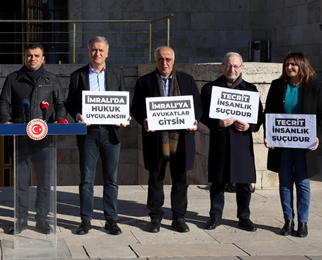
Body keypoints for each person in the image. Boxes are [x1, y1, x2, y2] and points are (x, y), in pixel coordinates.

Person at [131, 46, 202, 233]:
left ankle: (178, 218)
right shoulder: (144, 82)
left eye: (168, 59)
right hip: (155, 140)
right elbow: (136, 106)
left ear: (174, 59)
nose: (165, 63)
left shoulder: (187, 80)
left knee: (180, 180)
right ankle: (155, 217)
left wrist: (195, 119)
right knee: (156, 179)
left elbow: (197, 105)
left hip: (181, 139)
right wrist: (144, 120)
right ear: (155, 61)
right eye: (161, 59)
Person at [0, 43, 66, 234]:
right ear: (24, 57)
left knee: (44, 181)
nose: (32, 59)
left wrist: (60, 119)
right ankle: (20, 219)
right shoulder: (13, 79)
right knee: (21, 182)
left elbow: (60, 104)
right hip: (20, 137)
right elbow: (3, 102)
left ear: (43, 58)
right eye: (29, 55)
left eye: (36, 55)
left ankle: (42, 219)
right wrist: (6, 120)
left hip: (46, 138)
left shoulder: (51, 79)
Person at [65, 36, 129, 235]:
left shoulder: (118, 73)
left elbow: (123, 98)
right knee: (87, 179)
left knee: (111, 178)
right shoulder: (77, 76)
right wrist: (77, 115)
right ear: (88, 52)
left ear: (107, 53)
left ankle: (111, 220)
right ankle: (86, 220)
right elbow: (70, 102)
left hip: (111, 133)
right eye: (94, 49)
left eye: (101, 50)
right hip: (89, 134)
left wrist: (125, 115)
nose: (97, 53)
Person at [200, 52, 263, 232]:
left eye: (236, 66)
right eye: (228, 65)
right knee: (218, 181)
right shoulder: (210, 89)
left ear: (241, 67)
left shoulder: (251, 90)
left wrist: (249, 126)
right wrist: (217, 122)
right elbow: (202, 114)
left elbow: (259, 117)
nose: (232, 69)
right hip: (220, 141)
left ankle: (244, 217)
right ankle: (215, 216)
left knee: (244, 183)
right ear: (222, 66)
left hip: (242, 143)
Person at [264, 52, 322, 238]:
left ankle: (302, 222)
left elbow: (320, 117)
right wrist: (269, 135)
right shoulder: (277, 85)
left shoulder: (315, 87)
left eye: (294, 64)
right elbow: (269, 112)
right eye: (287, 64)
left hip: (304, 145)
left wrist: (318, 136)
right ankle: (288, 220)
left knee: (303, 183)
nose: (290, 67)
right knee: (285, 182)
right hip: (283, 144)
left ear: (302, 66)